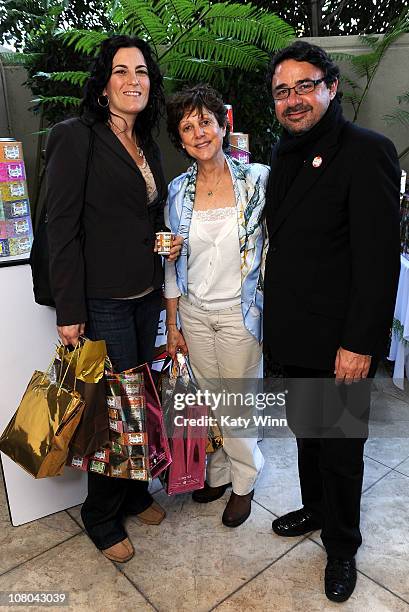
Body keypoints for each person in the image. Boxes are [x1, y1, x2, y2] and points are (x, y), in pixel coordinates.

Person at [264, 41, 400, 602]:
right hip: (294, 332)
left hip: (340, 340)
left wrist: (359, 343)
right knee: (307, 437)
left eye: (304, 86)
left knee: (341, 449)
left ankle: (343, 545)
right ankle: (316, 510)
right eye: (281, 91)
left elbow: (378, 260)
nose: (292, 100)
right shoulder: (283, 154)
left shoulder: (366, 151)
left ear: (331, 87)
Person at [46, 35, 182, 563]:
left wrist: (161, 239)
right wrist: (70, 310)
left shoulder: (145, 141)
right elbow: (61, 226)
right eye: (121, 71)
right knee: (117, 411)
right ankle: (100, 515)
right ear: (104, 84)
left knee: (142, 401)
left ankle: (132, 493)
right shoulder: (76, 136)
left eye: (142, 71)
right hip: (102, 299)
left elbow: (141, 215)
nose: (134, 80)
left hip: (147, 293)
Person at [164, 84, 269, 527]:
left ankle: (245, 482)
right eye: (188, 127)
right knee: (211, 401)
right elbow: (170, 261)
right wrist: (173, 323)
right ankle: (222, 472)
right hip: (194, 312)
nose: (199, 132)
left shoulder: (257, 179)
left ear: (223, 125)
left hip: (239, 313)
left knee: (238, 403)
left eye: (205, 121)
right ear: (181, 140)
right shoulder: (177, 190)